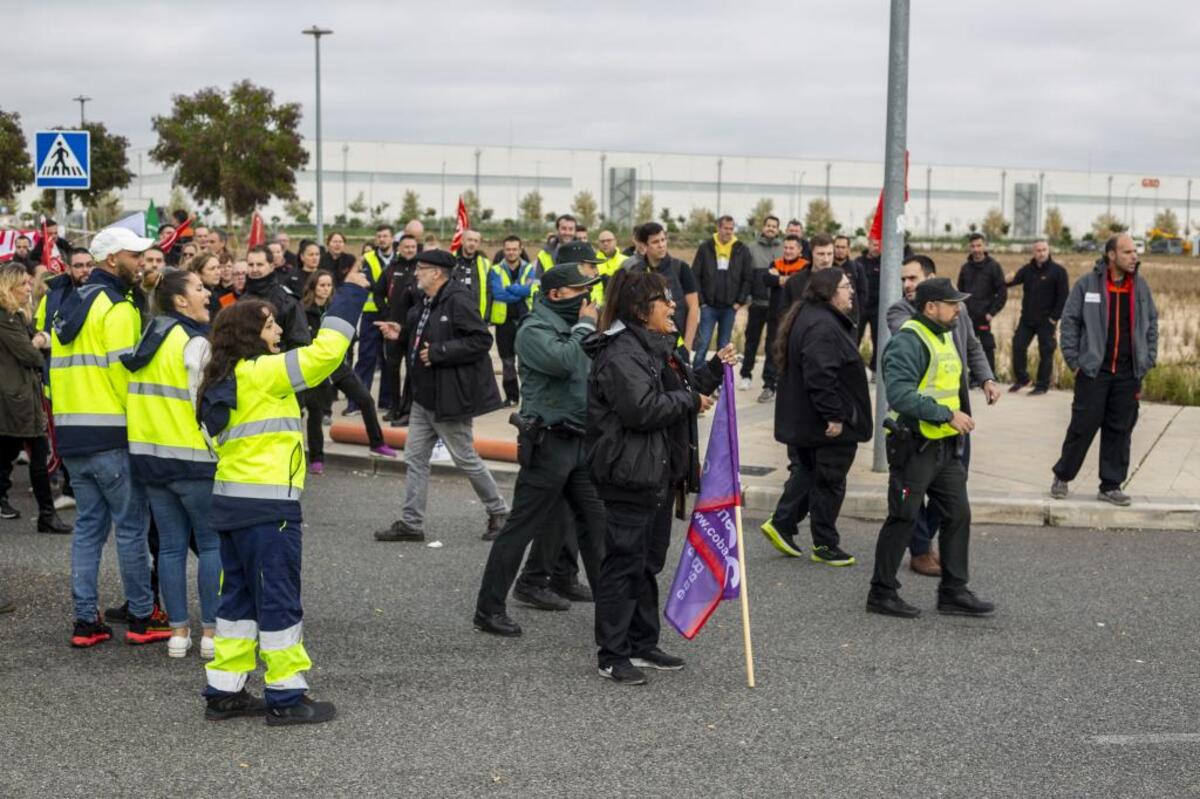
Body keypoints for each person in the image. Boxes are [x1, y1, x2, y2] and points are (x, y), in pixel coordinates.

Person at [198, 266, 371, 725]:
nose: (280, 330)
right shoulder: (264, 373)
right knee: (278, 599)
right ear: (253, 335)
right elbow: (326, 354)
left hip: (230, 504)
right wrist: (351, 294)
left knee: (235, 603)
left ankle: (225, 690)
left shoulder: (220, 378)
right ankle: (286, 695)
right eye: (272, 324)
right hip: (268, 507)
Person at [585, 269, 733, 685]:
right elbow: (642, 408)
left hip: (659, 475)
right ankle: (612, 654)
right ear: (639, 309)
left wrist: (713, 369)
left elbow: (680, 387)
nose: (673, 307)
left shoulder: (659, 347)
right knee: (623, 564)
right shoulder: (620, 353)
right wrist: (690, 399)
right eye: (663, 300)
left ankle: (642, 642)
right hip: (628, 475)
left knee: (647, 562)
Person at [473, 262, 606, 637]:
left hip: (580, 442)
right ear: (556, 295)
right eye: (581, 292)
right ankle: (488, 608)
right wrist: (584, 326)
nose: (588, 300)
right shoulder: (534, 329)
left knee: (596, 528)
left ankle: (613, 612)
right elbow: (564, 362)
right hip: (549, 443)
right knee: (520, 529)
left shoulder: (572, 326)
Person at [50, 226, 164, 647]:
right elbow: (125, 378)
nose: (143, 262)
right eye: (135, 256)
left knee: (87, 530)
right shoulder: (117, 308)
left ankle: (86, 622)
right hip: (112, 435)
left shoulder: (67, 303)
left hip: (71, 435)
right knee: (131, 529)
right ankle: (141, 617)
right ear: (113, 259)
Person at [867, 277, 995, 619]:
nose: (958, 309)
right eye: (952, 304)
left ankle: (953, 592)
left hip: (943, 448)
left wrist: (980, 386)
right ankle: (881, 592)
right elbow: (901, 396)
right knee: (904, 517)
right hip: (914, 447)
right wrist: (947, 415)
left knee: (958, 514)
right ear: (931, 307)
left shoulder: (945, 335)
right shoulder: (908, 341)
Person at [373, 249, 509, 542]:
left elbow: (481, 340)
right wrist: (401, 332)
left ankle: (499, 512)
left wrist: (440, 352)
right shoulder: (428, 300)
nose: (415, 273)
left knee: (465, 457)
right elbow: (422, 332)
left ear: (437, 273)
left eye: (420, 268)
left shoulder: (458, 299)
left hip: (450, 397)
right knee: (415, 458)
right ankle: (411, 524)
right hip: (424, 397)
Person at [121, 270, 218, 659]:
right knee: (211, 545)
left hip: (150, 459)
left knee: (171, 548)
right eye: (199, 288)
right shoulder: (194, 342)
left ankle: (178, 632)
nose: (207, 293)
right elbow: (206, 405)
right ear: (180, 301)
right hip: (194, 461)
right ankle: (211, 632)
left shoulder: (147, 337)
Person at [887, 254, 1000, 576]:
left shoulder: (955, 310)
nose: (907, 285)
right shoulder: (901, 313)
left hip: (955, 419)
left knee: (952, 491)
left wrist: (987, 379)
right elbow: (910, 343)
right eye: (904, 280)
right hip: (916, 424)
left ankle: (941, 567)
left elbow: (974, 347)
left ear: (931, 279)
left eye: (913, 279)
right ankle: (919, 552)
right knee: (910, 500)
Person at [760, 267, 870, 565]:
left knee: (810, 473)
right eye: (847, 287)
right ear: (830, 292)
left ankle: (782, 523)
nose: (852, 292)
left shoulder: (814, 316)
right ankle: (824, 545)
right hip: (827, 423)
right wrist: (835, 416)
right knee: (829, 481)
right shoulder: (823, 326)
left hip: (809, 419)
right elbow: (820, 376)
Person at [1051, 233, 1158, 506]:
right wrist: (1075, 362)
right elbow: (1070, 322)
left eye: (1135, 252)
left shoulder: (1140, 287)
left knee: (1120, 430)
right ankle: (1063, 475)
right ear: (1111, 255)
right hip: (1094, 372)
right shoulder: (1088, 285)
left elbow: (1152, 324)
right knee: (1082, 426)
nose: (1134, 256)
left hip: (1128, 374)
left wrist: (1146, 361)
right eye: (1127, 252)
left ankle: (1110, 485)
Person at [299, 270, 396, 474]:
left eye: (328, 285)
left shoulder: (337, 306)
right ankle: (317, 459)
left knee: (365, 400)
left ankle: (377, 444)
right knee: (316, 412)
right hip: (317, 367)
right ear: (313, 287)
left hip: (339, 366)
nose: (326, 289)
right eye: (321, 285)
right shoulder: (304, 310)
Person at [0, 264, 71, 533]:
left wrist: (38, 339)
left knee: (10, 453)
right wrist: (39, 342)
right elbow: (29, 354)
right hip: (15, 396)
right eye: (24, 284)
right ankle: (46, 515)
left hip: (22, 394)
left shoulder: (17, 316)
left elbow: (35, 341)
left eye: (30, 283)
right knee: (36, 454)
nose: (30, 288)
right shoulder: (6, 318)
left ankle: (43, 513)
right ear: (10, 287)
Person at [621, 222, 700, 351]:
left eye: (663, 240)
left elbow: (693, 308)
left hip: (676, 344)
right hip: (646, 344)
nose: (661, 245)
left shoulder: (681, 268)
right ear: (644, 246)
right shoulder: (636, 272)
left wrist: (687, 346)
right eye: (655, 242)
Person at [1006, 239, 1070, 394]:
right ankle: (1023, 379)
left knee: (1046, 352)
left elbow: (1063, 298)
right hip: (1027, 319)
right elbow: (1012, 281)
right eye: (1038, 250)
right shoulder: (1027, 270)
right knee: (1018, 346)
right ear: (1033, 252)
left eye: (1044, 250)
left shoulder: (1058, 272)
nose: (1041, 253)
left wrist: (1054, 318)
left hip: (1047, 321)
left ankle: (1042, 385)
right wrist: (1007, 279)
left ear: (1048, 251)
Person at [691, 215, 752, 369]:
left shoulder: (741, 249)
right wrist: (702, 302)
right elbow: (695, 275)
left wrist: (739, 301)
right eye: (725, 228)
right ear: (718, 228)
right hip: (708, 307)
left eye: (731, 229)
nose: (728, 232)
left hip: (730, 308)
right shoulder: (706, 247)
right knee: (703, 344)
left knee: (724, 346)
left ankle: (718, 381)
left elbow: (747, 278)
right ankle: (697, 378)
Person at [348, 225, 396, 414]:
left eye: (385, 236)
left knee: (389, 361)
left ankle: (387, 401)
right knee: (366, 359)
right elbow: (368, 283)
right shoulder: (367, 259)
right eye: (379, 236)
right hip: (371, 314)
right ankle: (357, 403)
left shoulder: (399, 259)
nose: (382, 239)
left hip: (392, 315)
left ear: (392, 239)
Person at [487, 235, 538, 405]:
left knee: (527, 361)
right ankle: (511, 397)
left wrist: (511, 288)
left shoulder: (529, 268)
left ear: (520, 249)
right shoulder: (495, 270)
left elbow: (528, 290)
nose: (511, 252)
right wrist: (519, 290)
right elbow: (498, 294)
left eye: (514, 249)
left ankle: (530, 397)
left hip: (525, 320)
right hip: (504, 323)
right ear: (503, 250)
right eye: (508, 249)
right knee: (507, 361)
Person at [380, 234, 421, 424]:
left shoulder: (421, 269)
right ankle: (394, 407)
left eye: (413, 247)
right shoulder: (391, 270)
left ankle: (408, 408)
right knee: (392, 370)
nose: (410, 250)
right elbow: (378, 293)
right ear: (399, 248)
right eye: (406, 247)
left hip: (413, 330)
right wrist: (386, 313)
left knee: (412, 371)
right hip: (393, 329)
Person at [741, 215, 783, 393]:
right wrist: (747, 298)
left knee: (772, 344)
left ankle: (769, 381)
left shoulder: (783, 249)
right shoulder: (752, 249)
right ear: (763, 227)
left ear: (778, 229)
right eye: (768, 225)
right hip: (757, 303)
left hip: (776, 306)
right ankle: (745, 375)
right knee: (751, 341)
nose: (771, 228)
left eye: (774, 226)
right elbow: (747, 277)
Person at [956, 233, 1007, 376]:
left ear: (984, 246)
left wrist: (992, 312)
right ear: (969, 248)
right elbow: (960, 292)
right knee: (967, 346)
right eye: (973, 246)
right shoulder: (965, 268)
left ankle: (989, 376)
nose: (976, 249)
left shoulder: (994, 267)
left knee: (987, 346)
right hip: (967, 316)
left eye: (979, 245)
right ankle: (972, 376)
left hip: (984, 316)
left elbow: (1002, 293)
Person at [241, 245, 310, 351]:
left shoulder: (287, 301)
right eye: (251, 265)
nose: (254, 269)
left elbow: (300, 343)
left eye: (259, 265)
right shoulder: (241, 302)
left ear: (271, 266)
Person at [452, 229, 491, 321]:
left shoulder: (485, 263)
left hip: (477, 317)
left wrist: (486, 316)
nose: (472, 244)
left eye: (476, 241)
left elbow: (489, 292)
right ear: (462, 241)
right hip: (454, 316)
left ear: (479, 244)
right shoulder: (450, 260)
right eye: (469, 240)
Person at [856, 237, 883, 370]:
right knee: (855, 337)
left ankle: (874, 369)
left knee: (878, 339)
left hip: (877, 308)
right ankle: (853, 366)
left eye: (879, 245)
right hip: (861, 307)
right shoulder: (859, 262)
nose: (877, 247)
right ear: (869, 243)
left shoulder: (885, 262)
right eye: (874, 244)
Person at [834, 234, 870, 325]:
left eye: (843, 247)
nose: (840, 250)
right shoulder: (828, 267)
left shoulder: (856, 268)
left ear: (848, 249)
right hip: (832, 314)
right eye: (837, 247)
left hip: (851, 317)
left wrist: (859, 312)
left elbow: (863, 292)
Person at [592, 229, 627, 305]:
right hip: (599, 308)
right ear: (598, 243)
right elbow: (595, 288)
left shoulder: (626, 261)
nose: (605, 243)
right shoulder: (593, 263)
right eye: (602, 241)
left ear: (615, 242)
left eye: (609, 240)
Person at [186, 252, 224, 321]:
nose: (218, 272)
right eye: (212, 269)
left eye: (218, 267)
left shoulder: (217, 293)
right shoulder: (199, 297)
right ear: (198, 273)